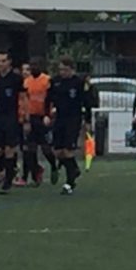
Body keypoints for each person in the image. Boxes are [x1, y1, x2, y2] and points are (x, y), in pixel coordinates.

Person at [46, 57, 92, 195]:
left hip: (73, 119)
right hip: (59, 118)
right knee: (57, 151)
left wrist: (88, 121)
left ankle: (69, 183)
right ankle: (74, 169)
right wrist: (47, 114)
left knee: (67, 150)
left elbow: (87, 102)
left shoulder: (78, 82)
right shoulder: (55, 82)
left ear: (72, 69)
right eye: (61, 69)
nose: (63, 72)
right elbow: (49, 100)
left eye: (65, 70)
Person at [0, 51, 28, 195]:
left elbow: (23, 98)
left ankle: (7, 181)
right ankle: (9, 169)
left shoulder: (16, 78)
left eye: (4, 61)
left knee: (9, 148)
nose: (1, 63)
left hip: (12, 117)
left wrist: (24, 116)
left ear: (9, 62)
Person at [22, 61, 54, 185]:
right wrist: (26, 118)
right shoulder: (27, 82)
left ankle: (54, 166)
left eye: (35, 67)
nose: (33, 69)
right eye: (31, 67)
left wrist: (48, 114)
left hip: (43, 117)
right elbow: (26, 100)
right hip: (32, 117)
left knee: (46, 148)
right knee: (30, 148)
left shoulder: (47, 80)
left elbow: (51, 98)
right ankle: (35, 175)